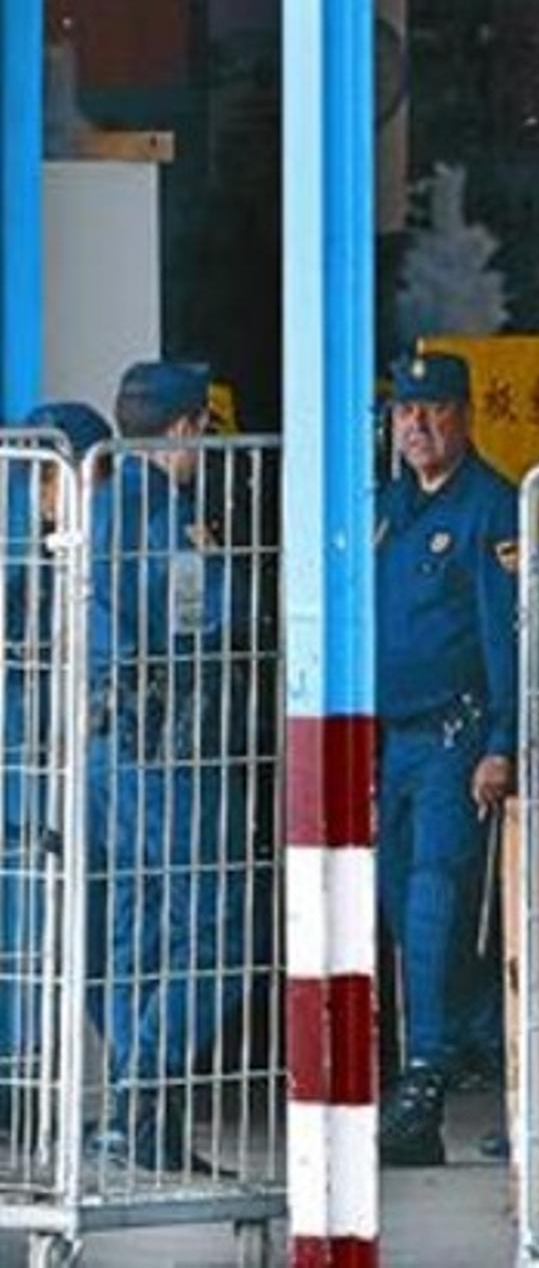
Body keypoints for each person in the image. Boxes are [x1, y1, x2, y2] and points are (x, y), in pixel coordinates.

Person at [84, 361, 249, 1172]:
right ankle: (144, 1088)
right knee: (224, 922)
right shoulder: (162, 513)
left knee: (139, 929)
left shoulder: (97, 500)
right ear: (185, 430)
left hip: (107, 749)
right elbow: (208, 618)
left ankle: (135, 1119)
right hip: (166, 749)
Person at [375, 351, 517, 1166]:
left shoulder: (489, 508)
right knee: (405, 908)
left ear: (464, 415)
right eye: (404, 413)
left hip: (455, 740)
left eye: (432, 411)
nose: (417, 426)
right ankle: (470, 1043)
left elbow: (503, 639)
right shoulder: (388, 508)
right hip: (394, 743)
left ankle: (423, 1086)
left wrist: (499, 744)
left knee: (435, 905)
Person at [0, 405, 111, 1095]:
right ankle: (36, 1090)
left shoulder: (124, 549)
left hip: (104, 771)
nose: (37, 497)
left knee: (99, 941)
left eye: (48, 479)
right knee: (50, 942)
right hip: (40, 773)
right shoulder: (33, 561)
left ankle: (131, 1098)